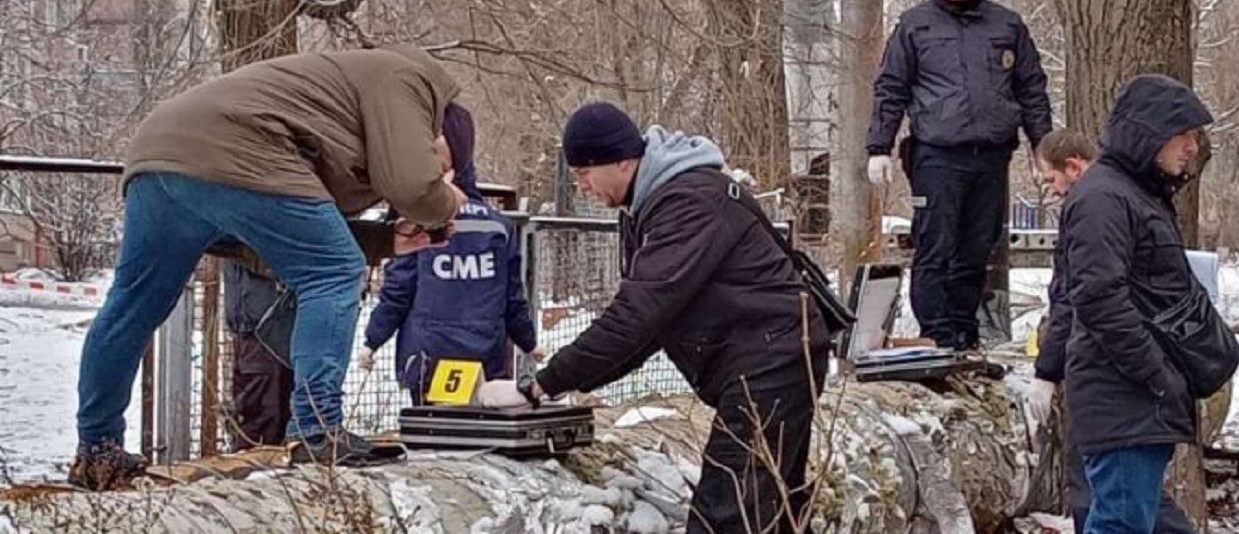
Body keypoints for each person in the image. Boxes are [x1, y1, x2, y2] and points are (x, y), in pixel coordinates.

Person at [71, 45, 467, 489]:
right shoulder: (407, 77)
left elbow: (274, 240)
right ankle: (316, 431)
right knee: (337, 271)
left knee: (133, 306)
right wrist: (447, 202)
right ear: (439, 130)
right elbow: (413, 186)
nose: (438, 174)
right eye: (443, 167)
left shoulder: (345, 109)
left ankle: (96, 451)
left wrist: (384, 241)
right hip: (237, 145)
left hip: (160, 154)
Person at [515, 102, 830, 534]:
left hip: (770, 361)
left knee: (727, 516)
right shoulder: (652, 203)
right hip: (771, 357)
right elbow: (647, 328)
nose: (581, 184)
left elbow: (637, 317)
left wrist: (541, 385)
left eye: (585, 170)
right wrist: (558, 386)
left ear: (622, 160)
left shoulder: (686, 202)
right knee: (772, 512)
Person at [865, 0, 1052, 350]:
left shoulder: (1007, 26)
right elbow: (891, 87)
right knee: (935, 247)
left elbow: (1031, 88)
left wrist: (1043, 147)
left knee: (976, 248)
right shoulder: (916, 25)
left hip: (992, 154)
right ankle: (936, 335)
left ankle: (963, 334)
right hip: (937, 155)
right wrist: (879, 146)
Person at [1061, 74, 1210, 533]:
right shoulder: (1105, 198)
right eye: (1181, 134)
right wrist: (1158, 374)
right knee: (1121, 523)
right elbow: (1099, 299)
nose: (1192, 147)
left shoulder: (1133, 194)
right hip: (1121, 395)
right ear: (1148, 133)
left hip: (1136, 399)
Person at [359, 103, 542, 403]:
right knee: (479, 438)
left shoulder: (416, 222)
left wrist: (372, 341)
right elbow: (512, 296)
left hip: (428, 356)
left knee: (432, 434)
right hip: (485, 356)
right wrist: (528, 342)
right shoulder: (498, 227)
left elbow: (398, 290)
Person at [223, 259, 297, 451]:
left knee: (280, 412)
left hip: (274, 324)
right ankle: (248, 472)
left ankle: (263, 469)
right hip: (259, 327)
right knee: (262, 415)